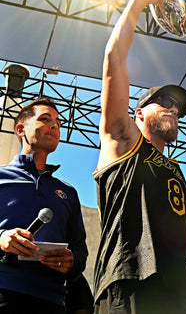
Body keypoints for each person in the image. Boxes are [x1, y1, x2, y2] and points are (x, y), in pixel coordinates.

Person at [92, 0, 186, 313]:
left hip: (178, 295)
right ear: (138, 113)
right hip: (130, 284)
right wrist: (140, 1)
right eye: (163, 103)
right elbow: (114, 61)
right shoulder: (124, 142)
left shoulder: (175, 168)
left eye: (177, 107)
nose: (173, 110)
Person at [0, 97, 87, 312]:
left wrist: (71, 261)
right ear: (21, 129)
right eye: (45, 119)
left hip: (51, 301)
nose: (54, 125)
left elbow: (80, 249)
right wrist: (1, 238)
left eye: (58, 122)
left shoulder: (68, 192)